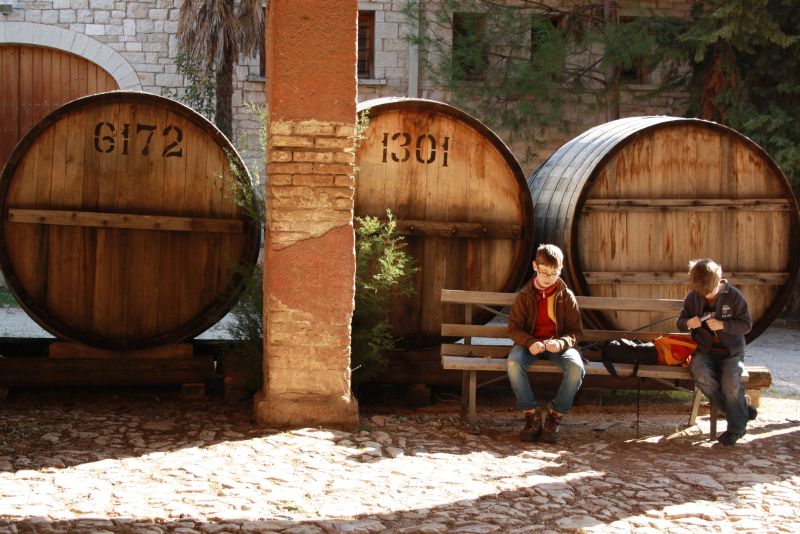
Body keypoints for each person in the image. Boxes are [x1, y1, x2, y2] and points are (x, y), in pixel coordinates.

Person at [507, 244, 585, 443]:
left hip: (557, 347)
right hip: (529, 345)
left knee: (576, 367)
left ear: (560, 269)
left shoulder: (566, 295)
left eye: (554, 273)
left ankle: (555, 415)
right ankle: (531, 415)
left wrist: (560, 344)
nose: (549, 277)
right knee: (514, 363)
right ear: (535, 266)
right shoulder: (524, 295)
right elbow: (514, 329)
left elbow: (576, 332)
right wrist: (530, 342)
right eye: (544, 272)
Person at [677, 259, 755, 446]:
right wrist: (689, 323)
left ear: (719, 282)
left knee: (730, 382)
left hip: (731, 353)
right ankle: (740, 412)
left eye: (709, 293)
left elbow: (746, 325)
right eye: (701, 293)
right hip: (705, 351)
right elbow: (680, 322)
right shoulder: (692, 297)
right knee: (701, 374)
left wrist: (723, 325)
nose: (705, 296)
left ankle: (736, 429)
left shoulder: (734, 296)